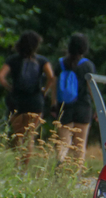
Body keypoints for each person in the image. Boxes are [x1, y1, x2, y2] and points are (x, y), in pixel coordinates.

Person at [0, 30, 55, 164]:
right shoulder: (42, 60)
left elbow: (1, 77)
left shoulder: (12, 60)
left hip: (16, 101)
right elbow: (51, 77)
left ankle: (18, 166)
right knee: (29, 136)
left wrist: (10, 88)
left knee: (18, 136)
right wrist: (44, 90)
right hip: (35, 102)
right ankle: (25, 169)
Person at [51, 33, 96, 162]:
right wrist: (97, 107)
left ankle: (60, 163)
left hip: (64, 106)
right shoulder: (87, 65)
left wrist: (54, 104)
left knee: (63, 142)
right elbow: (91, 89)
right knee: (80, 144)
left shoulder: (60, 63)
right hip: (83, 107)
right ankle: (76, 175)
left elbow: (54, 86)